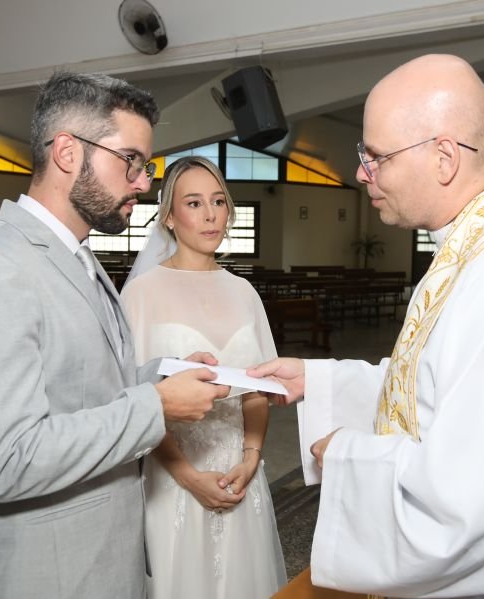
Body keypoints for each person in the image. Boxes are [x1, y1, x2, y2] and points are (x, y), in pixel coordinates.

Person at [249, 54, 484, 599]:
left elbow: (481, 496)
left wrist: (345, 452)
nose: (361, 173)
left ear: (443, 157)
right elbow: (439, 393)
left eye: (376, 156)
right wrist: (317, 381)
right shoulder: (473, 252)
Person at [0, 71, 228, 599]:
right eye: (131, 161)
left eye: (146, 165)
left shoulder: (77, 257)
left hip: (104, 559)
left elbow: (80, 388)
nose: (144, 182)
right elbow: (9, 458)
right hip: (46, 574)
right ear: (67, 152)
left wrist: (165, 375)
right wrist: (157, 406)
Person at [121, 157, 286, 599]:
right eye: (194, 203)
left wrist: (251, 456)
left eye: (218, 201)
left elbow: (258, 389)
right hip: (173, 474)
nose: (211, 214)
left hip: (239, 473)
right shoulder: (143, 293)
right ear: (170, 217)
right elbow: (136, 399)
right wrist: (190, 477)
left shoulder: (244, 291)